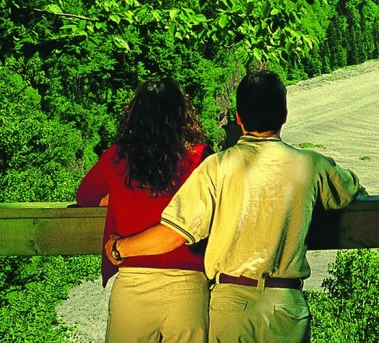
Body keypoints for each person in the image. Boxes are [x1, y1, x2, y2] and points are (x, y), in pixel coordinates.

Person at [105, 69, 361, 343]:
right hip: (286, 303)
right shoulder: (312, 165)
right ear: (284, 114)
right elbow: (349, 188)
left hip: (232, 303)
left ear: (238, 117)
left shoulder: (217, 167)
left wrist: (119, 248)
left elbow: (174, 233)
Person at [77, 77, 212, 343]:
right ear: (182, 115)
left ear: (135, 115)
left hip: (134, 283)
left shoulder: (117, 157)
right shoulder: (200, 157)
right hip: (189, 286)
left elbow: (85, 196)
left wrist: (115, 197)